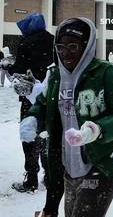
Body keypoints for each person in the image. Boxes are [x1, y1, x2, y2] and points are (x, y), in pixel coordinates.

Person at [20, 17, 113, 217]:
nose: (65, 53)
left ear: (87, 46)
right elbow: (42, 104)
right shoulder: (55, 76)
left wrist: (97, 130)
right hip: (68, 165)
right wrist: (33, 118)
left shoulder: (106, 73)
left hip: (100, 163)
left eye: (73, 46)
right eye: (61, 46)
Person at [2, 13, 54, 193]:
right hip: (51, 95)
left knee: (29, 135)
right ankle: (50, 176)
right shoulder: (52, 39)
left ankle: (31, 178)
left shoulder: (26, 42)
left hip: (30, 96)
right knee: (48, 135)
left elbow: (20, 69)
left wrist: (8, 66)